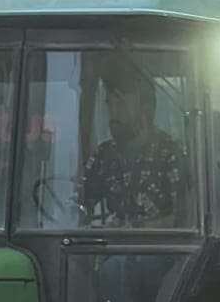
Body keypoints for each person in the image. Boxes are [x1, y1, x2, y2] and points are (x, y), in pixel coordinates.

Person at [81, 87, 190, 227]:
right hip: (111, 246)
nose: (113, 114)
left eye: (121, 104)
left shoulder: (170, 154)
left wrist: (138, 229)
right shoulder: (104, 155)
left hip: (162, 246)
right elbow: (79, 201)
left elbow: (184, 220)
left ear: (145, 107)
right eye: (109, 105)